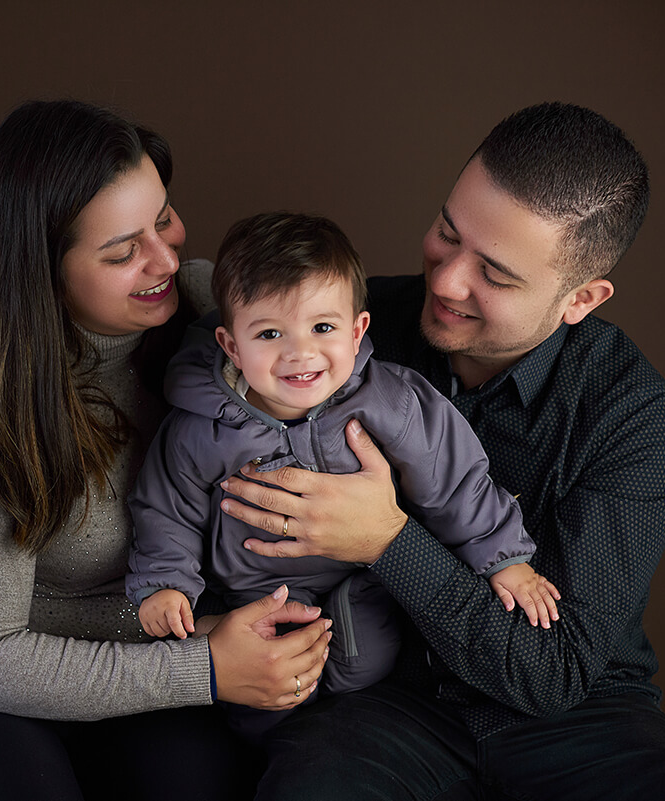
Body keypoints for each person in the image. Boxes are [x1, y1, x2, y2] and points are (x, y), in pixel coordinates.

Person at [217, 103, 665, 799]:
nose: (446, 280)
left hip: (577, 715)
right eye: (445, 232)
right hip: (378, 701)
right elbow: (223, 341)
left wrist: (386, 538)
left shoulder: (630, 414)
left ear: (581, 297)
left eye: (494, 273)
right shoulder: (341, 334)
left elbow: (552, 672)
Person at [0, 100, 331, 801]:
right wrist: (204, 663)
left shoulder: (211, 308)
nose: (166, 258)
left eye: (164, 217)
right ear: (47, 273)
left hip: (143, 654)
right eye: (123, 252)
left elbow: (348, 319)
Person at [126, 212, 560, 739]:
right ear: (231, 346)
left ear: (358, 331)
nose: (300, 353)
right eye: (269, 333)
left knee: (366, 659)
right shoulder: (200, 426)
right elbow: (164, 508)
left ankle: (335, 712)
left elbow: (454, 478)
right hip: (256, 592)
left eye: (323, 328)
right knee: (263, 702)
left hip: (359, 579)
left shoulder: (390, 401)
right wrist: (165, 583)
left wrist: (504, 558)